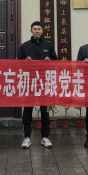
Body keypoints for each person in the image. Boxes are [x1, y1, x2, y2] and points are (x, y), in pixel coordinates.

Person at [18, 21, 57, 149]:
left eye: (39, 29)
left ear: (42, 31)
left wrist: (49, 60)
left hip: (44, 82)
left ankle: (45, 137)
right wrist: (25, 61)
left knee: (45, 111)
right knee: (27, 111)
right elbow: (17, 62)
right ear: (31, 31)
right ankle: (26, 137)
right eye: (34, 29)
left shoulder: (48, 46)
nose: (37, 31)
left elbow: (55, 61)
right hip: (29, 82)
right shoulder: (25, 46)